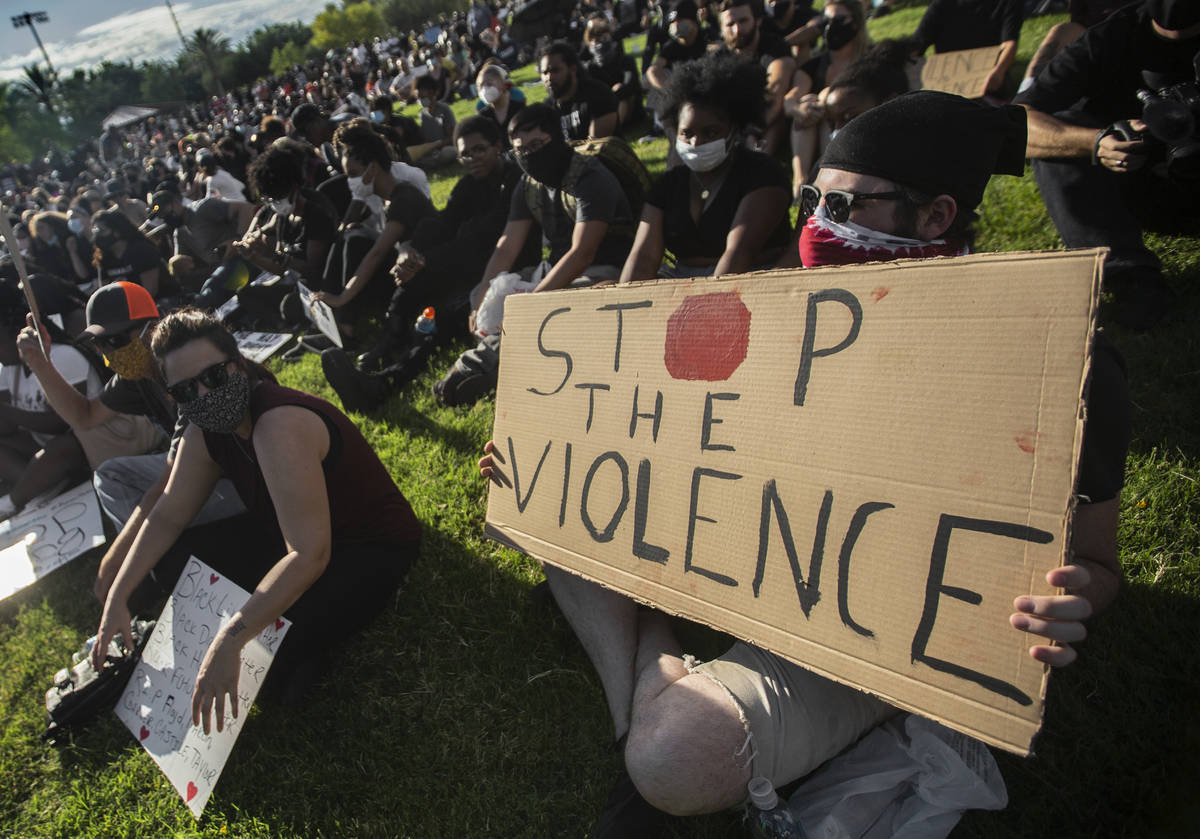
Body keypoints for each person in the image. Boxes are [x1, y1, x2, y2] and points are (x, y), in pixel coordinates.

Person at [483, 91, 1129, 837]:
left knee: (672, 759)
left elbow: (1100, 563)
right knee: (549, 516)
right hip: (733, 557)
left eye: (850, 205)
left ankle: (645, 659)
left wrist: (1078, 594)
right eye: (813, 200)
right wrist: (540, 464)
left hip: (868, 630)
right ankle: (644, 673)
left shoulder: (1060, 365)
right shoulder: (782, 309)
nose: (820, 225)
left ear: (937, 218)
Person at [91, 309, 421, 720]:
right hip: (289, 536)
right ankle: (290, 641)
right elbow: (166, 517)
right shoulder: (203, 430)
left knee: (265, 658)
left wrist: (229, 639)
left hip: (366, 547)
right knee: (173, 559)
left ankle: (299, 651)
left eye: (213, 377)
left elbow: (309, 554)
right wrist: (119, 597)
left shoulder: (278, 425)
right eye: (186, 391)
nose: (205, 395)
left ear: (239, 365)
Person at [14, 282, 239, 604]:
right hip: (199, 472)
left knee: (160, 512)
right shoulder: (140, 375)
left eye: (117, 340)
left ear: (152, 328)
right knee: (112, 474)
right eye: (99, 344)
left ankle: (161, 568)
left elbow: (165, 488)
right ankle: (156, 562)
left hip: (243, 479)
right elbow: (85, 416)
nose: (109, 352)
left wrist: (113, 564)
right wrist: (40, 363)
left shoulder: (190, 372)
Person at [321, 115, 540, 411]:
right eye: (464, 153)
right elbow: (443, 224)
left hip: (508, 273)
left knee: (442, 321)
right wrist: (409, 250)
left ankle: (388, 377)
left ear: (497, 146)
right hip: (472, 268)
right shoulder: (468, 184)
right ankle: (388, 348)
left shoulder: (515, 180)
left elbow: (489, 238)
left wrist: (423, 259)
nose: (471, 158)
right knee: (417, 280)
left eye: (479, 150)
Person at [432, 103, 635, 408]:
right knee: (490, 300)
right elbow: (508, 244)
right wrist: (482, 292)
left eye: (537, 145)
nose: (530, 155)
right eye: (521, 150)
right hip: (552, 269)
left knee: (554, 313)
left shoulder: (589, 177)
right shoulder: (529, 184)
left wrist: (533, 305)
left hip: (603, 272)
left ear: (557, 138)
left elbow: (582, 253)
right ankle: (494, 361)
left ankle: (481, 367)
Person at [1014, 0, 1198, 330]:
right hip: (1147, 187)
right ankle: (1132, 280)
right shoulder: (1109, 38)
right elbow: (1014, 125)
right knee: (1060, 134)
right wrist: (1098, 142)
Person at [620, 53, 791, 283]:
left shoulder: (763, 174)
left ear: (734, 129)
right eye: (687, 133)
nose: (696, 143)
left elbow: (739, 255)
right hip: (681, 280)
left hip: (748, 279)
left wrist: (705, 309)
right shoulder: (668, 185)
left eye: (710, 132)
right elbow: (643, 258)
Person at [313, 119, 438, 315]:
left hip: (422, 273)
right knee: (351, 237)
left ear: (372, 169)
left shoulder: (403, 195)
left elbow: (378, 253)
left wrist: (342, 297)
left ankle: (344, 319)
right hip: (407, 265)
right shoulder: (390, 197)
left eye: (353, 174)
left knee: (356, 243)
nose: (350, 181)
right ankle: (334, 314)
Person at [784, 0, 872, 195]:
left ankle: (830, 181)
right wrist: (799, 109)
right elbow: (790, 99)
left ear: (856, 22)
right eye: (827, 20)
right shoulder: (815, 66)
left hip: (855, 134)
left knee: (828, 108)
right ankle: (801, 183)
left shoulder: (870, 61)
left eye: (839, 19)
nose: (831, 26)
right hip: (814, 134)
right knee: (806, 105)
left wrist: (825, 99)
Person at [718, 0, 796, 155]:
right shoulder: (717, 58)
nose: (737, 29)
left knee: (776, 114)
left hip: (766, 122)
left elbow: (775, 89)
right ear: (721, 28)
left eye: (743, 21)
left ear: (758, 20)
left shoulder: (775, 48)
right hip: (731, 123)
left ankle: (758, 164)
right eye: (730, 24)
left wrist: (751, 131)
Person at [910, 0, 1024, 98]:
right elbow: (918, 44)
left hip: (986, 79)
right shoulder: (942, 4)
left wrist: (999, 71)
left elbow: (1009, 43)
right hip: (946, 81)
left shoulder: (1007, 2)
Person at [539, 41, 620, 141]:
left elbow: (596, 146)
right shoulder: (547, 109)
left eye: (555, 70)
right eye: (544, 73)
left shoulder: (597, 95)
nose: (549, 78)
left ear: (573, 69)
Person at [91, 207, 171, 298]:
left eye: (102, 231)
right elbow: (105, 293)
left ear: (117, 231)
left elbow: (150, 291)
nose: (98, 236)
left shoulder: (141, 250)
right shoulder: (104, 257)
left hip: (158, 301)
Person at [582, 16, 643, 130]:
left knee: (619, 87)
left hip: (629, 107)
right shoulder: (590, 68)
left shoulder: (625, 60)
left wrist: (610, 96)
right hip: (603, 110)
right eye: (596, 40)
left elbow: (631, 85)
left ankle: (613, 129)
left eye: (604, 38)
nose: (601, 44)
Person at [413, 75, 460, 170]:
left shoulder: (444, 109)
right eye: (419, 98)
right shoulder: (422, 114)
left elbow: (452, 137)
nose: (421, 100)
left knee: (449, 152)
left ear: (433, 93)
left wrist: (436, 145)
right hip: (431, 152)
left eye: (423, 97)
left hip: (445, 148)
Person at [476, 63, 527, 145]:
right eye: (480, 86)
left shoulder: (519, 109)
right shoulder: (483, 116)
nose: (484, 89)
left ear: (503, 84)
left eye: (489, 84)